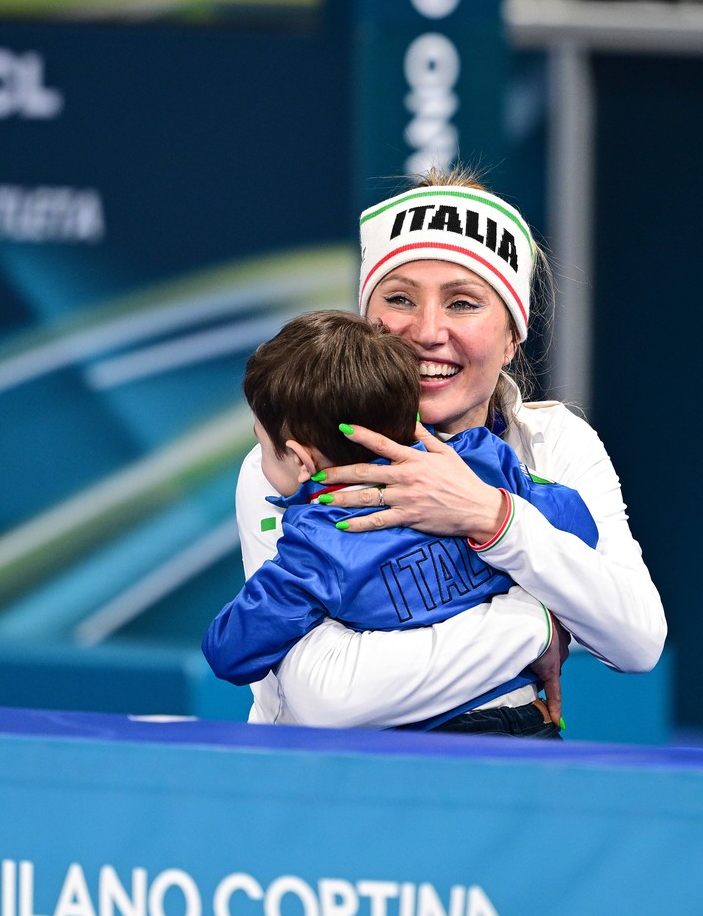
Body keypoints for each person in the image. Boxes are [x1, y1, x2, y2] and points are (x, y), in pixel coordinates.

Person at [235, 166, 666, 736]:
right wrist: (535, 624)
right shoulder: (293, 462)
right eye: (399, 298)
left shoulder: (554, 442)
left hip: (500, 782)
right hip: (322, 793)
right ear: (367, 321)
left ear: (514, 335)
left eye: (463, 303)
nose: (427, 331)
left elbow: (636, 640)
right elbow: (328, 699)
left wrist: (492, 517)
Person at [205, 310, 598, 735]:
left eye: (262, 444)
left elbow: (229, 651)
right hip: (523, 724)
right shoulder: (482, 461)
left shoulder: (319, 542)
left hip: (400, 746)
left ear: (301, 460)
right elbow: (579, 525)